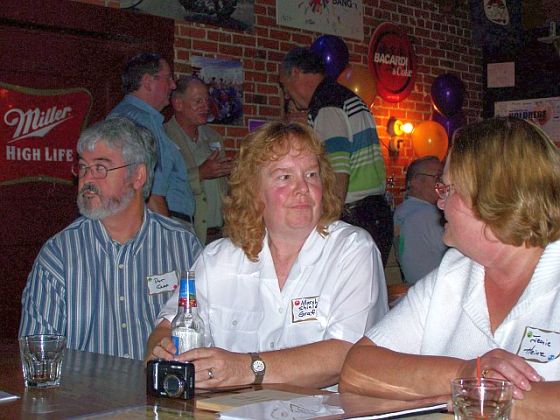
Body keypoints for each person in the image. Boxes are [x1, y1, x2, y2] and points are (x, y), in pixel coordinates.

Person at [339, 117, 560, 418]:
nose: (439, 204)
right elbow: (357, 370)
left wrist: (482, 395)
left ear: (494, 197)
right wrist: (465, 373)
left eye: (447, 191)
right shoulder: (453, 273)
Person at [147, 121, 388, 389]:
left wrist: (248, 368)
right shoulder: (219, 259)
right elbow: (166, 327)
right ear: (253, 192)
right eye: (285, 177)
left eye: (311, 175)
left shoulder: (352, 250)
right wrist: (165, 352)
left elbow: (347, 353)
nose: (302, 188)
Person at [19, 118, 202, 360]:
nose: (87, 180)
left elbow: (210, 331)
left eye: (100, 168)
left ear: (138, 176)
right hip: (85, 395)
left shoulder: (183, 247)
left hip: (163, 394)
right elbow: (36, 355)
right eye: (83, 167)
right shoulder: (59, 254)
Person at [279, 47, 393, 267]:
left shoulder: (327, 105)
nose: (286, 94)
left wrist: (324, 228)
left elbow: (337, 174)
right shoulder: (344, 97)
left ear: (295, 73)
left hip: (357, 217)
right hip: (373, 215)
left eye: (284, 85)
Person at [109, 52, 195, 225]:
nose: (172, 86)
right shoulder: (141, 121)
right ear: (148, 82)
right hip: (159, 222)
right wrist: (168, 239)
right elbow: (152, 192)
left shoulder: (126, 115)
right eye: (168, 78)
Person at [165, 76, 232, 244]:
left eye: (206, 100)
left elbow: (224, 186)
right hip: (184, 235)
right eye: (198, 101)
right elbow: (161, 186)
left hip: (219, 235)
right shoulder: (163, 136)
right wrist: (200, 173)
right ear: (178, 104)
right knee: (188, 273)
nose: (205, 106)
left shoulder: (213, 136)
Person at [393, 156, 447, 284]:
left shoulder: (401, 211)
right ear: (415, 181)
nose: (443, 184)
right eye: (438, 177)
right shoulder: (429, 214)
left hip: (416, 290)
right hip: (439, 291)